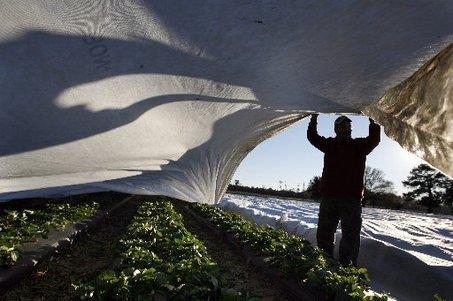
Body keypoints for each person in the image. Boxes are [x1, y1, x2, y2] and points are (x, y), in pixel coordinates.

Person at [307, 114, 380, 266]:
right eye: (343, 126)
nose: (347, 129)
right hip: (329, 197)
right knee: (325, 232)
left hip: (351, 199)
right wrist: (314, 118)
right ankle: (325, 263)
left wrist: (373, 119)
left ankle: (346, 267)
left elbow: (374, 139)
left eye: (348, 127)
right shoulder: (330, 144)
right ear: (336, 129)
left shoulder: (359, 146)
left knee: (351, 235)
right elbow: (313, 137)